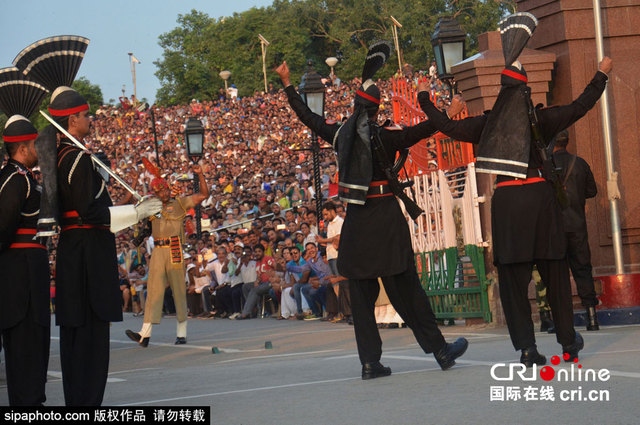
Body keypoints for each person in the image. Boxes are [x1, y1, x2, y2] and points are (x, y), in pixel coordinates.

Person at [418, 13, 612, 365]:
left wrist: (427, 101)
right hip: (540, 198)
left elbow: (446, 126)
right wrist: (601, 73)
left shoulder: (486, 123)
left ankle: (526, 348)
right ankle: (569, 344)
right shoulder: (542, 117)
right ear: (526, 89)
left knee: (513, 283)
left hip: (506, 203)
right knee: (554, 273)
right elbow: (582, 105)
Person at [275, 41, 468, 380]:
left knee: (363, 300)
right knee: (408, 291)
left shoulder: (340, 135)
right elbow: (423, 130)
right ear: (377, 111)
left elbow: (308, 117)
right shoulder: (386, 137)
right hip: (386, 220)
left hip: (357, 223)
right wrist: (447, 112)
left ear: (354, 108)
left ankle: (370, 363)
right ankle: (439, 351)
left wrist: (289, 84)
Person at [50, 87, 161, 404]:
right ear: (72, 119)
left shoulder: (62, 156)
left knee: (77, 342)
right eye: (85, 115)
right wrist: (138, 211)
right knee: (90, 344)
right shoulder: (76, 158)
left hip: (76, 250)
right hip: (88, 255)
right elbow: (92, 213)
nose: (90, 119)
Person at [126, 164, 208, 346]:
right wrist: (133, 182)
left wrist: (200, 175)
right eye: (159, 191)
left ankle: (181, 333)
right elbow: (133, 211)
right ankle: (144, 334)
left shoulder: (179, 203)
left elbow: (203, 195)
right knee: (153, 290)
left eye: (164, 190)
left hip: (175, 249)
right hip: (157, 250)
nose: (163, 194)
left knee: (178, 290)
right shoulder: (151, 206)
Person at [0, 113, 50, 405]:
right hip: (20, 276)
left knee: (32, 342)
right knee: (25, 344)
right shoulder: (15, 179)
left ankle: (30, 401)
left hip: (27, 270)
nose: (38, 150)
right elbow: (4, 227)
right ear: (22, 147)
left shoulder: (25, 178)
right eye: (35, 145)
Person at [552, 130, 600, 330]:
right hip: (578, 225)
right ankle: (592, 317)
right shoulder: (580, 163)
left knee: (557, 273)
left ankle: (561, 323)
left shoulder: (546, 166)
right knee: (583, 269)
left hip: (555, 228)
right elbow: (592, 191)